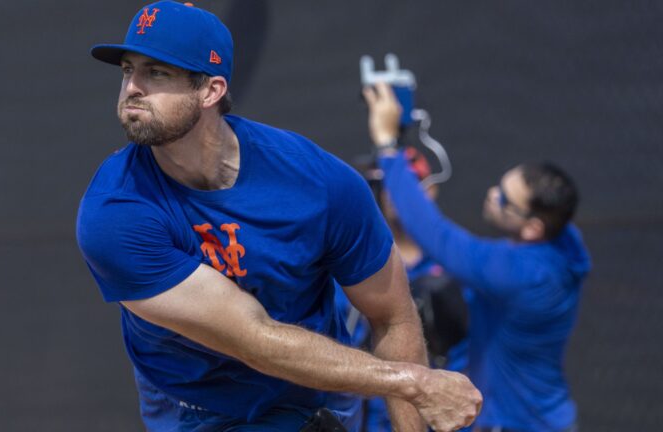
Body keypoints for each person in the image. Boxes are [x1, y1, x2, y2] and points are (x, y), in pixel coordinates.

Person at [76, 2, 481, 431]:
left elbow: (392, 315)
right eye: (127, 69)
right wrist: (414, 383)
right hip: (200, 413)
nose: (132, 87)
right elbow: (254, 339)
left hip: (315, 400)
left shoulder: (319, 183)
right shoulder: (115, 211)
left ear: (210, 91)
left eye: (156, 72)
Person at [363, 83, 591, 432]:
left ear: (532, 228)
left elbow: (437, 236)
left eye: (504, 200)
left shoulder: (521, 273)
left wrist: (388, 147)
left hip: (520, 424)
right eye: (501, 185)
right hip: (551, 416)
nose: (491, 194)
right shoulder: (567, 244)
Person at [337, 149, 471, 432]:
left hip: (449, 415)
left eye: (406, 182)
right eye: (385, 185)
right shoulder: (356, 267)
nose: (393, 192)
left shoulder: (455, 262)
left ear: (430, 189)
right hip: (376, 417)